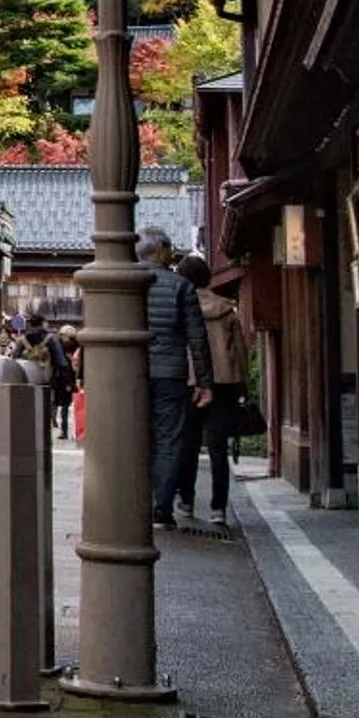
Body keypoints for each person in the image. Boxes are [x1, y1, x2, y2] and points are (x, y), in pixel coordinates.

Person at [139, 225, 211, 529]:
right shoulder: (182, 286)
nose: (173, 254)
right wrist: (205, 382)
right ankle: (161, 506)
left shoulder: (128, 283)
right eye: (169, 249)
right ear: (161, 251)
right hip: (170, 372)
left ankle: (134, 502)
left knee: (136, 436)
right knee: (170, 439)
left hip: (132, 373)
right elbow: (197, 337)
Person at [186, 260, 252, 527]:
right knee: (217, 449)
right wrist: (244, 385)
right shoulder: (226, 310)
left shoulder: (183, 306)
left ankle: (186, 501)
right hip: (224, 384)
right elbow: (239, 351)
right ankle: (218, 508)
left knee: (186, 446)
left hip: (189, 382)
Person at [47, 322, 80, 441]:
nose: (62, 338)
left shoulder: (76, 347)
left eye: (64, 335)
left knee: (68, 406)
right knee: (59, 404)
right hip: (60, 379)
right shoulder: (59, 347)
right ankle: (60, 427)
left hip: (72, 379)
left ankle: (67, 430)